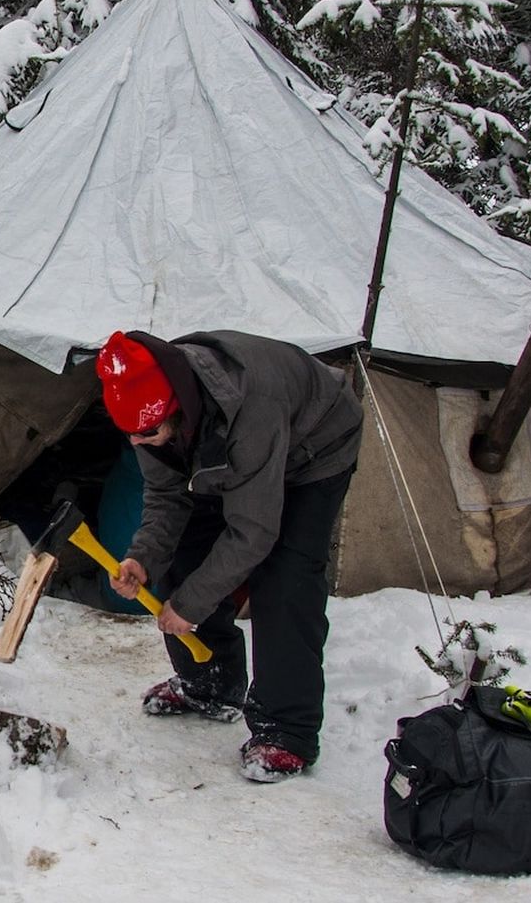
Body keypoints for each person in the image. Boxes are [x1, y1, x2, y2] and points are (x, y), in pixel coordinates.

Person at [95, 329, 362, 782]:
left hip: (313, 450)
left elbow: (253, 532)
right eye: (131, 434)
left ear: (177, 410)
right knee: (188, 551)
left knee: (286, 579)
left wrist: (189, 605)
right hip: (228, 449)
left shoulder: (250, 408)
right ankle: (210, 683)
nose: (139, 443)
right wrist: (143, 558)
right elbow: (166, 496)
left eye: (148, 432)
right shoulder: (149, 413)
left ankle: (287, 730)